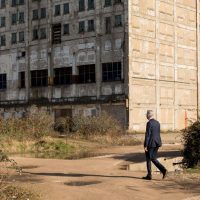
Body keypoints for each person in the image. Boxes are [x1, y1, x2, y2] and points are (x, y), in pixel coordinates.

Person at [143, 110, 167, 180]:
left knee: (152, 158)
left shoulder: (149, 123)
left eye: (146, 115)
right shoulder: (157, 123)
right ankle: (149, 175)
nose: (146, 116)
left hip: (151, 143)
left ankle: (163, 170)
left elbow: (148, 135)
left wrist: (145, 145)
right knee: (148, 158)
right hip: (157, 142)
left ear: (148, 115)